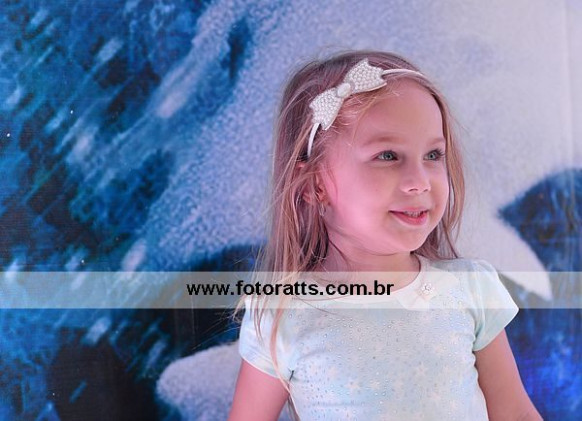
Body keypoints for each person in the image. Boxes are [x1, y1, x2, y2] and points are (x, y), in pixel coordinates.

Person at [227, 50, 542, 421]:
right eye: (388, 156)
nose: (419, 181)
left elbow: (515, 413)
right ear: (315, 185)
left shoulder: (469, 289)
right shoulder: (282, 312)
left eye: (433, 155)